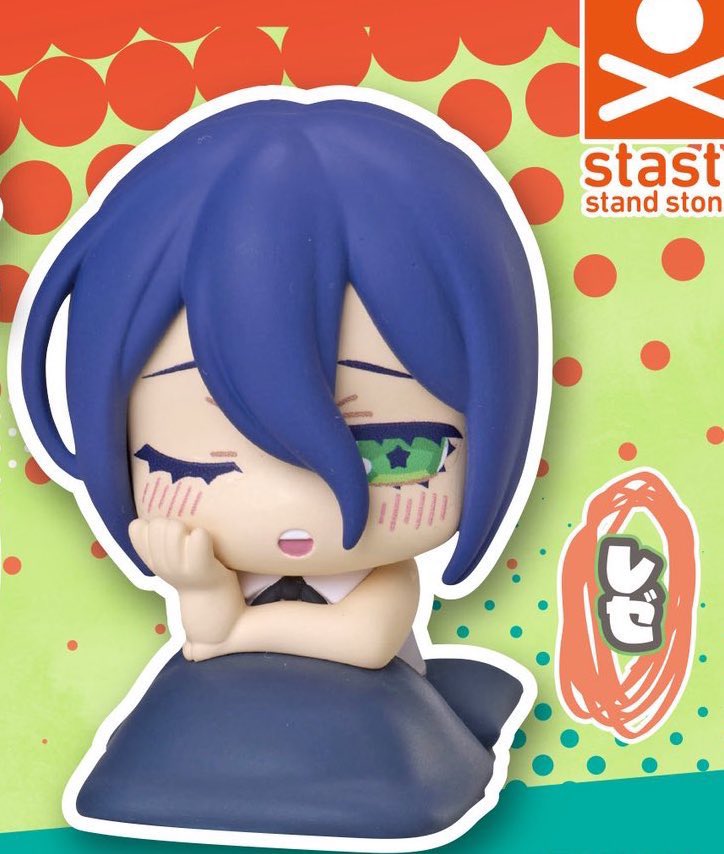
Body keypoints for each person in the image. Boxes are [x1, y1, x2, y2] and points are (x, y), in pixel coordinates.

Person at [17, 96, 542, 844]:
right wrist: (206, 595)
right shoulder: (224, 576)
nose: (293, 505)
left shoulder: (383, 579)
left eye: (397, 450)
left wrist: (232, 625)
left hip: (384, 751)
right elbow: (202, 637)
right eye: (187, 462)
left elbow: (365, 644)